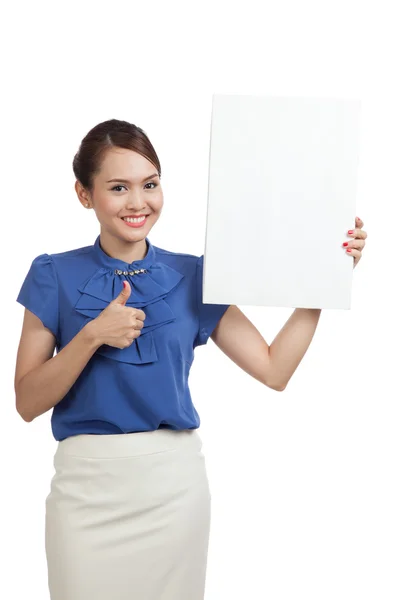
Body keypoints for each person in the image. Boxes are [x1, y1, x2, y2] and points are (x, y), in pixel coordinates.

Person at [14, 118, 367, 600]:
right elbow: (27, 401)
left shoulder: (194, 275)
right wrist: (92, 335)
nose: (138, 203)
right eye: (118, 187)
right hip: (84, 492)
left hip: (172, 491)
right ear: (84, 194)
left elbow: (274, 369)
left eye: (150, 184)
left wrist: (326, 280)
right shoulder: (53, 274)